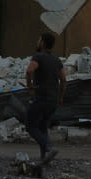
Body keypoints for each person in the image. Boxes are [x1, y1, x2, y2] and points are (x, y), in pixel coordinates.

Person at [25, 32, 66, 164]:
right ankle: (44, 158)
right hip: (53, 100)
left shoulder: (38, 57)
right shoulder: (57, 60)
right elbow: (64, 80)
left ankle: (48, 148)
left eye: (39, 40)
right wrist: (60, 98)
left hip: (41, 97)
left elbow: (29, 71)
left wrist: (30, 87)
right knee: (43, 127)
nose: (37, 42)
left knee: (31, 127)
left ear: (42, 43)